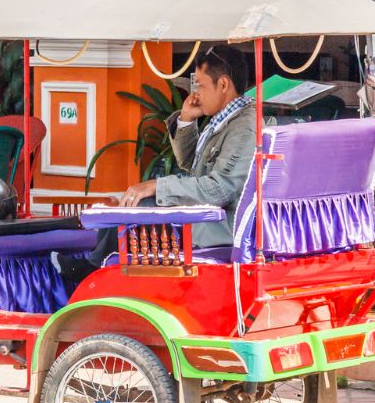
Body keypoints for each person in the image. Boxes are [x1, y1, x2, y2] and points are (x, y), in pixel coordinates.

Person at [54, 45, 256, 282]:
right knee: (131, 204)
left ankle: (94, 271)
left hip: (215, 227)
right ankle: (96, 267)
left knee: (136, 207)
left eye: (200, 85)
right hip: (201, 215)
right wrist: (186, 121)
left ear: (223, 85)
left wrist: (157, 187)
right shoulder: (223, 120)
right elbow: (191, 165)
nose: (196, 94)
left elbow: (220, 188)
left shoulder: (243, 127)